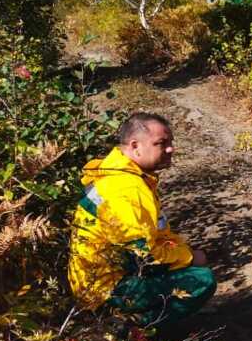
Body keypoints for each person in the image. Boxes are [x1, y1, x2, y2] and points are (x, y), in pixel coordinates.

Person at [68, 112, 216, 328]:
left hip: (96, 283)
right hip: (106, 290)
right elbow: (142, 258)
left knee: (189, 265)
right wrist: (189, 258)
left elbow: (156, 234)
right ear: (135, 146)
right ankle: (129, 331)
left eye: (171, 142)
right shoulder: (127, 189)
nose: (170, 149)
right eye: (161, 143)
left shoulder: (122, 175)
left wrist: (183, 251)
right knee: (202, 281)